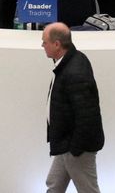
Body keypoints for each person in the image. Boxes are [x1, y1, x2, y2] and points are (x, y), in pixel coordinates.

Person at [42, 22, 104, 193]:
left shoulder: (75, 71)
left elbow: (87, 116)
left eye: (44, 42)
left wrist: (75, 148)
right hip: (66, 144)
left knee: (88, 190)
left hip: (77, 148)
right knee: (54, 185)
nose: (42, 46)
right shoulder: (67, 62)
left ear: (56, 44)